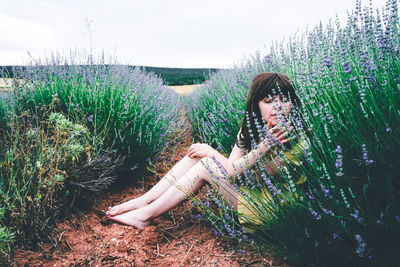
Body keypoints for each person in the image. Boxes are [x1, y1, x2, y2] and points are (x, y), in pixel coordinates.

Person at [106, 72, 307, 230]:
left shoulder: (297, 141)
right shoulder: (251, 128)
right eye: (269, 101)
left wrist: (213, 151)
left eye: (284, 99)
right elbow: (234, 166)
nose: (278, 106)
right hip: (250, 193)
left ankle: (144, 216)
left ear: (293, 103)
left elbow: (234, 172)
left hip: (269, 209)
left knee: (207, 164)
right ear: (256, 104)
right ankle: (144, 201)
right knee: (195, 157)